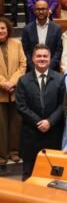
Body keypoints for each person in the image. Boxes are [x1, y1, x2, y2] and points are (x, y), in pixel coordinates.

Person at [16, 44, 64, 180]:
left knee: (53, 176)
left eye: (45, 56)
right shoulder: (23, 80)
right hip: (31, 134)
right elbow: (21, 106)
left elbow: (63, 105)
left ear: (50, 58)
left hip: (53, 134)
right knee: (29, 175)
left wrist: (50, 121)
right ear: (32, 58)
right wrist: (38, 122)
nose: (42, 59)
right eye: (39, 56)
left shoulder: (60, 79)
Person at [0, 17, 26, 165]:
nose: (0, 31)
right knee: (1, 126)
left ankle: (14, 152)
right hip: (1, 92)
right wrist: (4, 83)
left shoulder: (17, 44)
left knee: (16, 124)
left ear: (8, 29)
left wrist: (13, 82)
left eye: (3, 28)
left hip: (15, 91)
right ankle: (2, 156)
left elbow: (23, 64)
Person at [22, 0, 63, 72]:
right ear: (34, 11)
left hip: (52, 70)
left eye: (43, 9)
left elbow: (59, 50)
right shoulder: (27, 29)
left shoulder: (57, 28)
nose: (41, 12)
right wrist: (33, 67)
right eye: (38, 9)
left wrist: (49, 66)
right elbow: (25, 50)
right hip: (32, 70)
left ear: (48, 10)